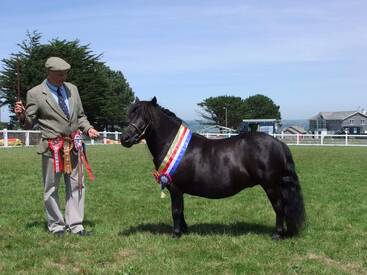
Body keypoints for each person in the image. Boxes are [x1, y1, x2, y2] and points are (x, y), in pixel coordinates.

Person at [14, 57, 99, 236]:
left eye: (66, 73)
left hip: (75, 146)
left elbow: (81, 116)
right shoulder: (35, 93)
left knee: (77, 185)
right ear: (49, 73)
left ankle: (76, 225)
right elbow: (29, 123)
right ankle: (56, 226)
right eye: (60, 74)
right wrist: (21, 116)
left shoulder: (73, 90)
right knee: (51, 188)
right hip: (52, 148)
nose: (64, 77)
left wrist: (89, 128)